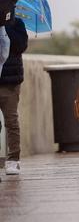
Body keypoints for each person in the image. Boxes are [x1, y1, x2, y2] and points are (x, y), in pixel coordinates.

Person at [0, 17, 26, 176]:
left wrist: (5, 26)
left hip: (10, 82)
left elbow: (20, 46)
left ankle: (13, 160)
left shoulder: (17, 23)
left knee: (11, 121)